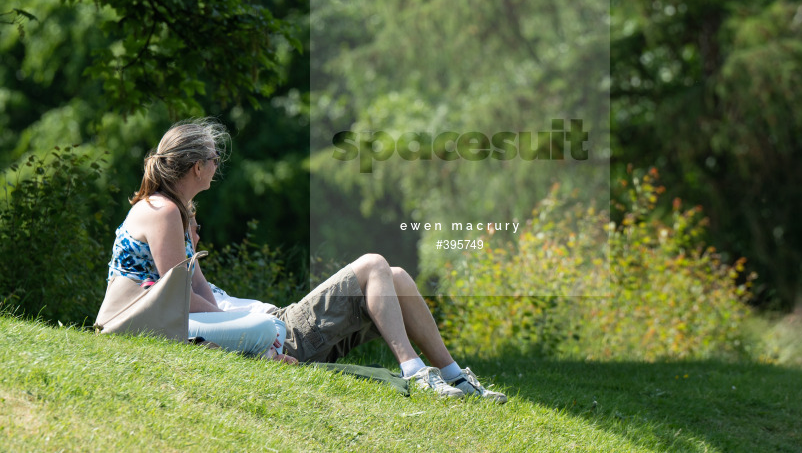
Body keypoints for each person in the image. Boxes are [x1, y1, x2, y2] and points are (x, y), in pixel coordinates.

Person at [188, 200, 506, 401]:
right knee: (373, 264)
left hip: (282, 326)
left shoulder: (192, 277)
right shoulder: (171, 290)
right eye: (193, 228)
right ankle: (415, 371)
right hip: (280, 331)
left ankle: (454, 375)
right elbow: (206, 336)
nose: (199, 236)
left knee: (396, 277)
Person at [106, 118, 294, 363]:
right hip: (136, 322)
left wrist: (224, 316)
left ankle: (259, 355)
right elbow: (178, 295)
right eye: (215, 160)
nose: (217, 167)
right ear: (198, 167)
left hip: (163, 317)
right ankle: (263, 355)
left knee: (275, 326)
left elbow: (197, 282)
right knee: (266, 329)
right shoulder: (164, 211)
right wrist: (225, 318)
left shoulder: (178, 211)